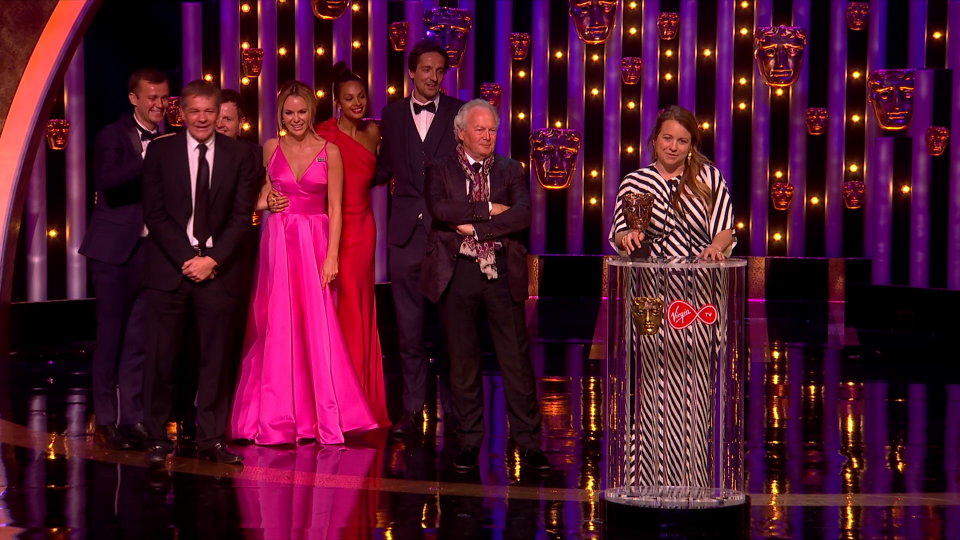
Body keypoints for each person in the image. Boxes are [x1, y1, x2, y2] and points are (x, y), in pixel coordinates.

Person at [230, 80, 379, 445]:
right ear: (281, 114)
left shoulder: (331, 152)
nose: (296, 119)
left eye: (301, 112)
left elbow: (336, 208)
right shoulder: (269, 148)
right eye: (289, 112)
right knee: (277, 323)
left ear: (312, 113)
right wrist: (266, 202)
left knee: (317, 325)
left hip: (316, 242)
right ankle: (276, 416)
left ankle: (320, 415)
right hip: (278, 241)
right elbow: (259, 192)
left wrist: (331, 258)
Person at [607, 105, 736, 489]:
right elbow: (618, 233)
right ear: (654, 140)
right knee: (653, 386)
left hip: (699, 297)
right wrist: (627, 238)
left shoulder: (710, 178)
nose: (674, 146)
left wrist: (715, 247)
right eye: (668, 138)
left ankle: (693, 480)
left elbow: (726, 230)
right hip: (651, 296)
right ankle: (647, 480)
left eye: (682, 140)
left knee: (694, 387)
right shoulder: (635, 182)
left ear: (692, 144)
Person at [420, 99, 549, 473]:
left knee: (516, 362)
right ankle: (468, 441)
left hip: (501, 273)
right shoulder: (439, 168)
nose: (488, 136)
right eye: (480, 129)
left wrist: (475, 227)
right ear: (461, 133)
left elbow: (523, 215)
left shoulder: (511, 169)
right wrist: (490, 209)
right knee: (463, 363)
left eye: (492, 129)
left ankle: (528, 444)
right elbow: (441, 210)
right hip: (456, 271)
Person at [140, 79, 259, 465]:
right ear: (182, 113)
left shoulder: (240, 155)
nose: (204, 118)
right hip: (171, 269)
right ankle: (157, 436)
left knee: (215, 359)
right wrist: (186, 258)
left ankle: (211, 438)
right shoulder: (161, 152)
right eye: (196, 111)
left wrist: (212, 259)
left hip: (218, 271)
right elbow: (154, 214)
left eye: (210, 110)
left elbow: (242, 217)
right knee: (162, 357)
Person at [375, 40, 464, 436]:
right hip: (404, 234)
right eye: (426, 69)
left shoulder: (458, 112)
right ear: (412, 72)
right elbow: (382, 167)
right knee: (408, 330)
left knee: (451, 329)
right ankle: (411, 412)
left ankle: (456, 413)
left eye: (440, 70)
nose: (433, 76)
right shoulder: (391, 114)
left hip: (447, 234)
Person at [79, 67, 169, 450]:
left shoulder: (169, 140)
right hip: (113, 253)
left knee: (138, 342)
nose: (158, 105)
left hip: (150, 253)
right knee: (110, 337)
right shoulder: (112, 135)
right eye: (151, 97)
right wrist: (151, 154)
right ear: (133, 98)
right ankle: (106, 419)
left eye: (164, 98)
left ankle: (131, 418)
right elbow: (110, 183)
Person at [311, 62, 389, 427]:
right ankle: (333, 397)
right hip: (332, 229)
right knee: (335, 308)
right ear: (336, 102)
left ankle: (360, 397)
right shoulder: (323, 134)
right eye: (349, 99)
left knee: (359, 306)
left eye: (361, 97)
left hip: (365, 229)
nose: (357, 103)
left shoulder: (375, 131)